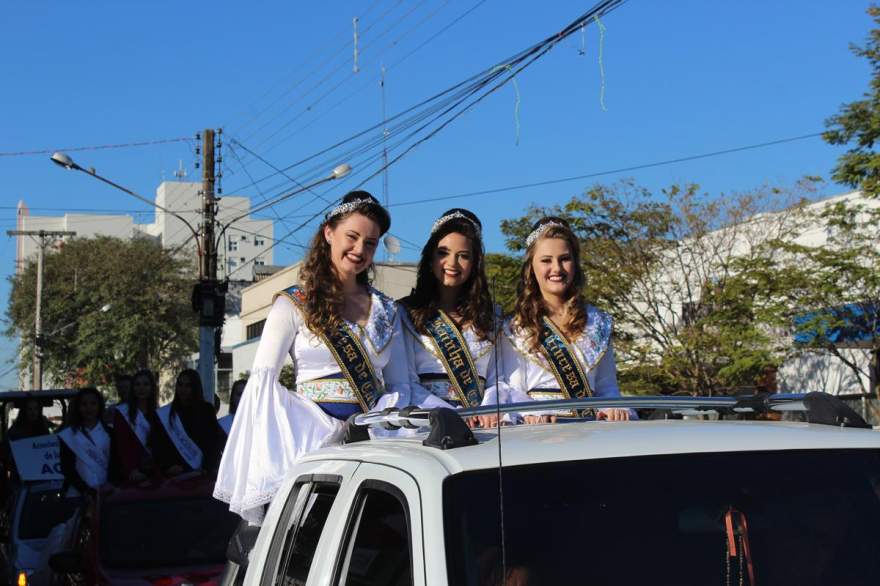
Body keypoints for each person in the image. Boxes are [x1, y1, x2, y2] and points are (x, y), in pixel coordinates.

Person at [215, 191, 423, 524]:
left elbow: (399, 383)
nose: (359, 250)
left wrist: (378, 425)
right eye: (352, 237)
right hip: (309, 445)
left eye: (370, 243)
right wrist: (308, 430)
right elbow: (262, 383)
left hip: (371, 443)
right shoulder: (293, 304)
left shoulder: (387, 310)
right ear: (329, 233)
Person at [499, 217, 631, 423]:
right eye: (546, 260)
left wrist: (612, 407)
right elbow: (511, 388)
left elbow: (607, 387)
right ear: (531, 267)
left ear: (575, 263)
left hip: (591, 432)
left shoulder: (598, 321)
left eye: (564, 259)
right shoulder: (514, 326)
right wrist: (532, 412)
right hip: (537, 432)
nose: (556, 268)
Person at [398, 208, 505, 428]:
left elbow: (499, 378)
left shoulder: (493, 316)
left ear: (475, 263)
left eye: (463, 256)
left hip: (484, 425)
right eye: (443, 253)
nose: (452, 263)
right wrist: (450, 414)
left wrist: (488, 408)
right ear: (430, 257)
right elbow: (405, 382)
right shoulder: (405, 313)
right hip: (428, 424)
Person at [150, 369, 221, 478]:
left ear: (195, 388)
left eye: (188, 386)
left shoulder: (207, 410)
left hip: (201, 475)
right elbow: (157, 444)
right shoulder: (166, 414)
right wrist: (168, 466)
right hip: (174, 476)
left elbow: (214, 443)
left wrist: (206, 468)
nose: (183, 389)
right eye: (180, 384)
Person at [58, 387, 114, 497]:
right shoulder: (68, 434)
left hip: (106, 494)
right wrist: (85, 490)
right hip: (77, 494)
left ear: (99, 406)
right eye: (84, 404)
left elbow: (115, 464)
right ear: (78, 408)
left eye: (93, 404)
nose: (89, 408)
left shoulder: (110, 433)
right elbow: (67, 468)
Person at [112, 369, 157, 482]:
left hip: (155, 472)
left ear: (152, 388)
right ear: (132, 388)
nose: (141, 388)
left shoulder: (158, 414)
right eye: (137, 384)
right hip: (131, 474)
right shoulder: (122, 413)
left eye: (146, 384)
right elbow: (121, 445)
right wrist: (131, 470)